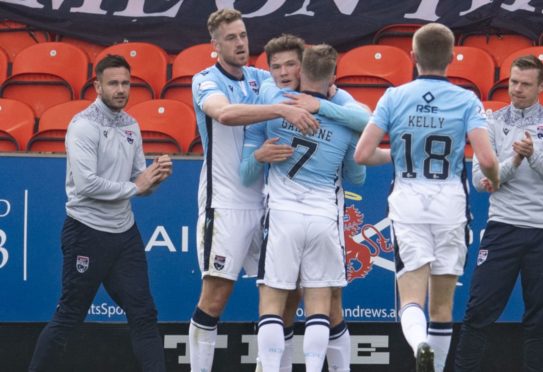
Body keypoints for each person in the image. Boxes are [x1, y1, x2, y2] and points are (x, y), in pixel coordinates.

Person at [354, 23, 500, 372]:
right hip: (449, 202)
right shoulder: (467, 99)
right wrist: (493, 179)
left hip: (408, 201)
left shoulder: (394, 97)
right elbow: (487, 160)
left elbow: (362, 154)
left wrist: (397, 156)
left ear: (413, 56)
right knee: (442, 306)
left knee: (410, 299)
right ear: (452, 57)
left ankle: (419, 344)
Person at [188, 9, 322, 372]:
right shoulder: (205, 80)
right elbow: (226, 114)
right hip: (226, 203)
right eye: (231, 38)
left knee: (289, 291)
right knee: (215, 298)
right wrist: (278, 109)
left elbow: (299, 78)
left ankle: (269, 366)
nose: (240, 43)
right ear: (215, 45)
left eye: (243, 35)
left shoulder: (261, 78)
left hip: (271, 204)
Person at [28, 54, 172, 372]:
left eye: (126, 83)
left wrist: (155, 176)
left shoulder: (132, 126)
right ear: (97, 86)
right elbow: (87, 184)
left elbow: (140, 181)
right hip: (86, 233)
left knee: (143, 313)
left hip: (124, 236)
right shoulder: (83, 126)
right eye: (114, 83)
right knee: (69, 315)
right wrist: (137, 186)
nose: (121, 89)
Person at [249, 33, 370, 372]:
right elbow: (357, 177)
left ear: (300, 71)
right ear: (333, 77)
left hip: (283, 216)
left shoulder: (277, 111)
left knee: (272, 304)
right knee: (321, 305)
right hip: (323, 217)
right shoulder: (347, 120)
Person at [454, 55, 543, 372]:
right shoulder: (490, 122)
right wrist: (515, 163)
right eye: (513, 82)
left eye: (525, 84)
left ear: (541, 86)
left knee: (539, 319)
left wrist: (533, 156)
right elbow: (482, 182)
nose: (517, 89)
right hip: (503, 227)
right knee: (478, 313)